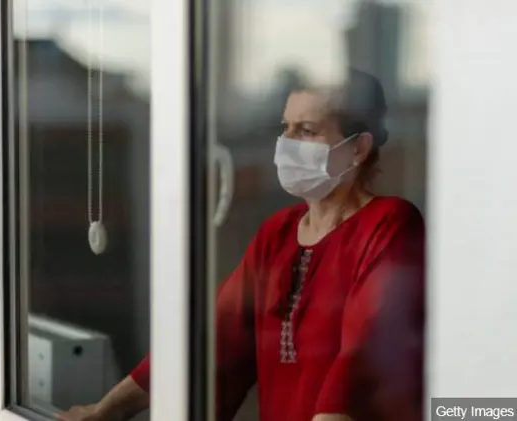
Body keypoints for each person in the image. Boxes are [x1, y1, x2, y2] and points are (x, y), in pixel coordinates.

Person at [56, 68, 425, 421]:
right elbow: (214, 343)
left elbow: (360, 363)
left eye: (307, 130)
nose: (288, 144)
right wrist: (107, 409)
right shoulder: (278, 233)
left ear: (358, 148)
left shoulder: (390, 224)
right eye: (287, 129)